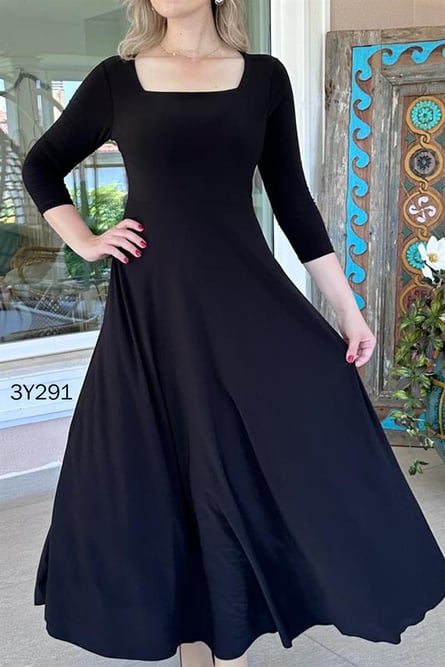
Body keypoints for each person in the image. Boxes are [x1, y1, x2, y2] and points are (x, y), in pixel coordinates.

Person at [21, 1, 445, 666]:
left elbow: (292, 201)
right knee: (166, 475)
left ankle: (236, 637)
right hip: (154, 309)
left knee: (243, 466)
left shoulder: (264, 78)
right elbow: (41, 163)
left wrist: (348, 309)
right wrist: (85, 239)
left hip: (242, 302)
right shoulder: (115, 78)